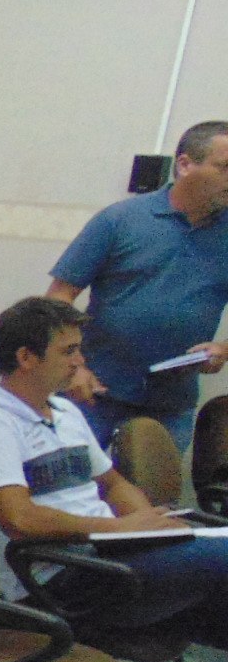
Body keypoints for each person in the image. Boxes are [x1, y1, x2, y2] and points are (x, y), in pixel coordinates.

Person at [0, 297, 228, 646]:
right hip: (57, 579)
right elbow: (18, 518)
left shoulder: (65, 412)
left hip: (104, 557)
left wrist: (148, 527)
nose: (80, 362)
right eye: (68, 352)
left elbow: (112, 484)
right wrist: (117, 528)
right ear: (26, 358)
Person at [47, 120, 228, 451]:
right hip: (94, 395)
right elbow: (59, 296)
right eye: (225, 168)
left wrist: (224, 349)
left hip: (171, 408)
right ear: (186, 165)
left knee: (151, 501)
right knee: (71, 495)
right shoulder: (121, 220)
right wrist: (72, 368)